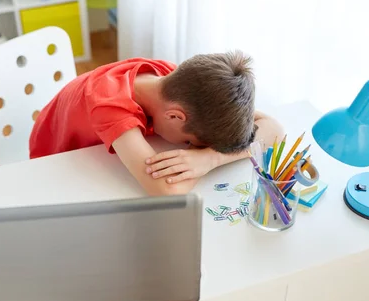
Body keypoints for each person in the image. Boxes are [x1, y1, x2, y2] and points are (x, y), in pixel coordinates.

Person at [29, 51, 284, 196]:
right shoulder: (110, 105)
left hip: (99, 160)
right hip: (55, 166)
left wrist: (210, 158)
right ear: (175, 116)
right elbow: (167, 190)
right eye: (190, 143)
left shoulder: (176, 83)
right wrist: (204, 159)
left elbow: (274, 129)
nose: (190, 149)